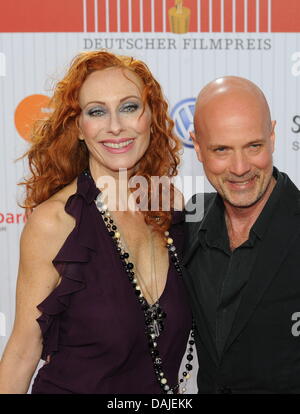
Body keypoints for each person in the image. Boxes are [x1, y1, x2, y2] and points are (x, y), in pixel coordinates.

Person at [0, 50, 194, 394]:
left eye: (130, 107)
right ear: (78, 127)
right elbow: (21, 352)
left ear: (151, 117)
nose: (116, 125)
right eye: (97, 111)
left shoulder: (170, 208)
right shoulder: (55, 223)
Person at [183, 76, 300, 394]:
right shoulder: (187, 224)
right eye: (221, 149)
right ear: (197, 147)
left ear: (273, 136)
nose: (239, 168)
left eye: (253, 146)